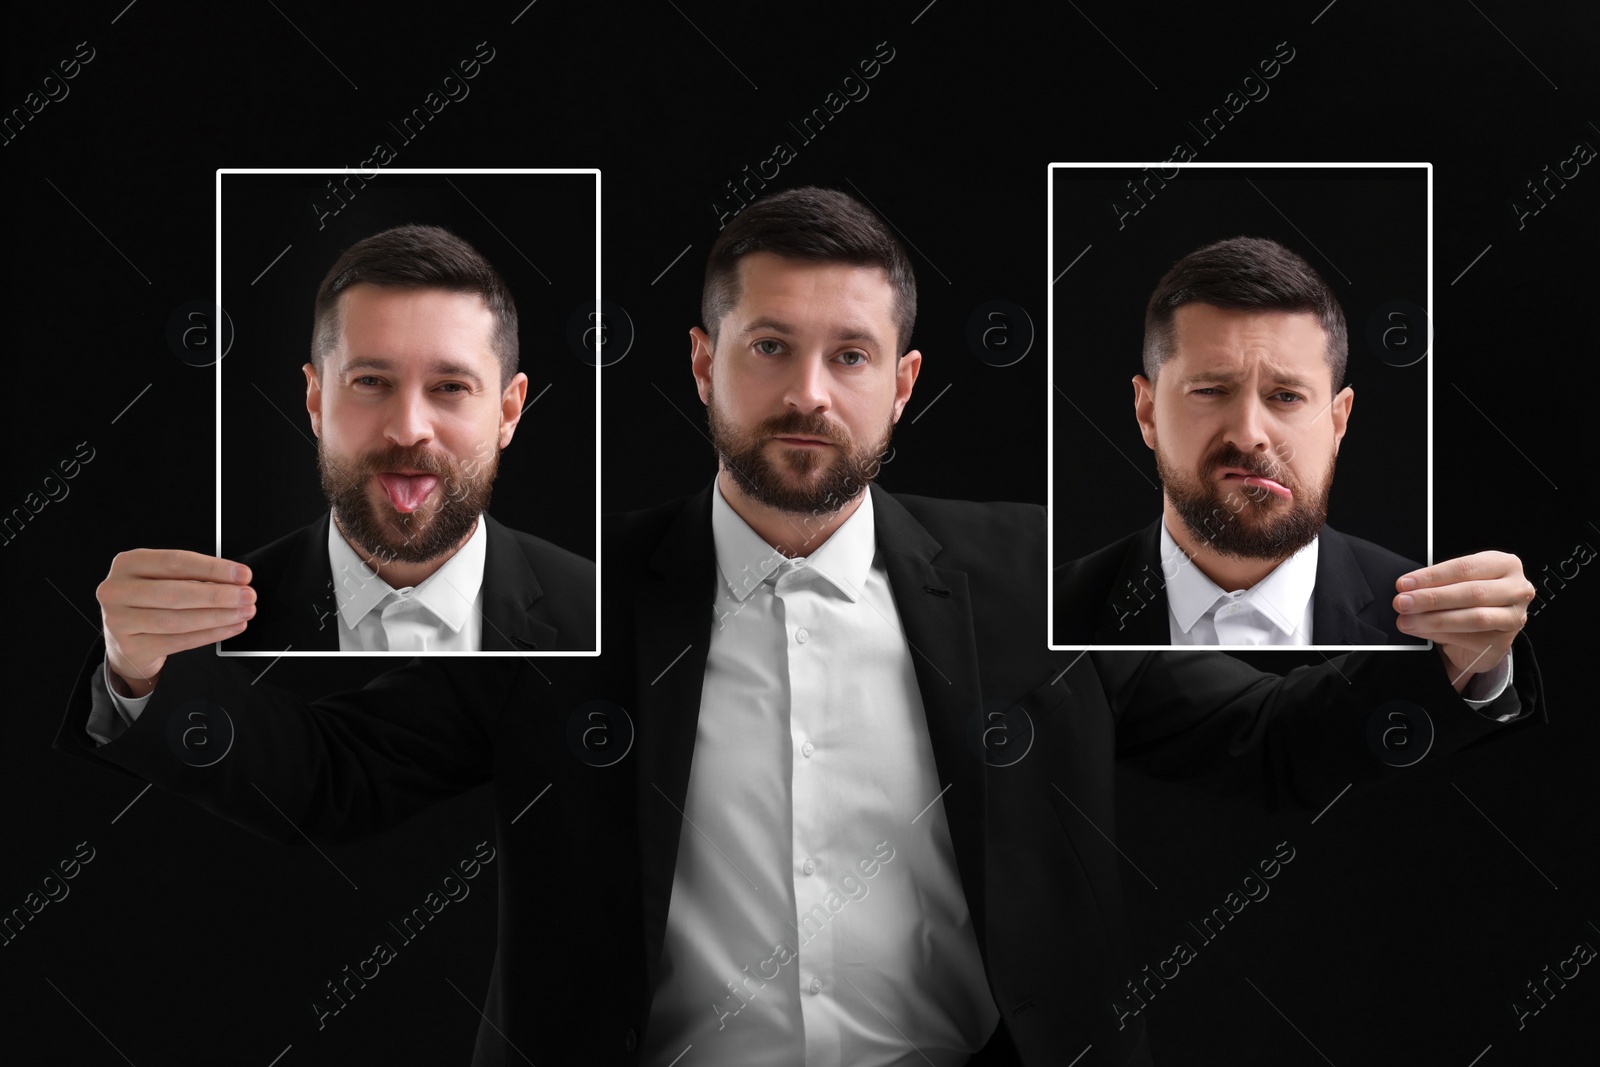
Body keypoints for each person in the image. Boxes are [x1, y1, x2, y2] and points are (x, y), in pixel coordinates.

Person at [62, 189, 1541, 1065]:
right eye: (770, 348)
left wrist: (1461, 670)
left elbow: (1267, 746)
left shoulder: (1044, 585)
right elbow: (331, 778)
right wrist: (142, 676)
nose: (809, 393)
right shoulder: (565, 609)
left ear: (903, 381)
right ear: (708, 366)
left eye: (849, 355)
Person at [224, 223, 594, 654]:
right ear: (316, 401)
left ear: (508, 412)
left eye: (451, 387)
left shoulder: (603, 615)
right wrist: (129, 679)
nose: (407, 430)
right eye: (370, 380)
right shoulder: (213, 629)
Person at [1054, 236, 1436, 647]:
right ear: (1147, 413)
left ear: (1338, 421)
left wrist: (1484, 674)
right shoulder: (1045, 617)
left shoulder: (1426, 620)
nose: (1249, 433)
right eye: (1210, 390)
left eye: (1287, 396)